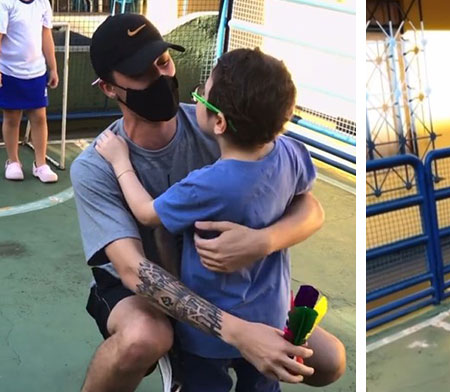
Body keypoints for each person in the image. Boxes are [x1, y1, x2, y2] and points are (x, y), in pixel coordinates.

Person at [70, 14, 345, 392]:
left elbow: (311, 209)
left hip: (224, 282)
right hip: (144, 290)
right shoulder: (98, 163)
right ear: (109, 88)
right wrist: (241, 334)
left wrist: (261, 242)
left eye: (163, 62)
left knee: (329, 361)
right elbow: (134, 272)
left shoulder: (218, 125)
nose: (163, 78)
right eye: (142, 73)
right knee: (144, 338)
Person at [0, 0, 59, 182]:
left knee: (40, 117)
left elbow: (46, 34)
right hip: (10, 71)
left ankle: (40, 165)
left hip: (37, 72)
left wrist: (53, 68)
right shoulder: (5, 3)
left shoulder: (43, 4)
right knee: (12, 117)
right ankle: (13, 162)